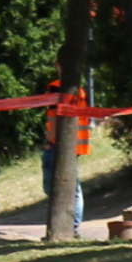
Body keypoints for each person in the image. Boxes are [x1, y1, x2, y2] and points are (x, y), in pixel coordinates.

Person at [43, 64, 89, 237]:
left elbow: (54, 117)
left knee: (60, 187)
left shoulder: (56, 87)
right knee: (71, 187)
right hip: (74, 145)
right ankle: (72, 227)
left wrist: (50, 141)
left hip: (59, 144)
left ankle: (70, 227)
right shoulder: (80, 90)